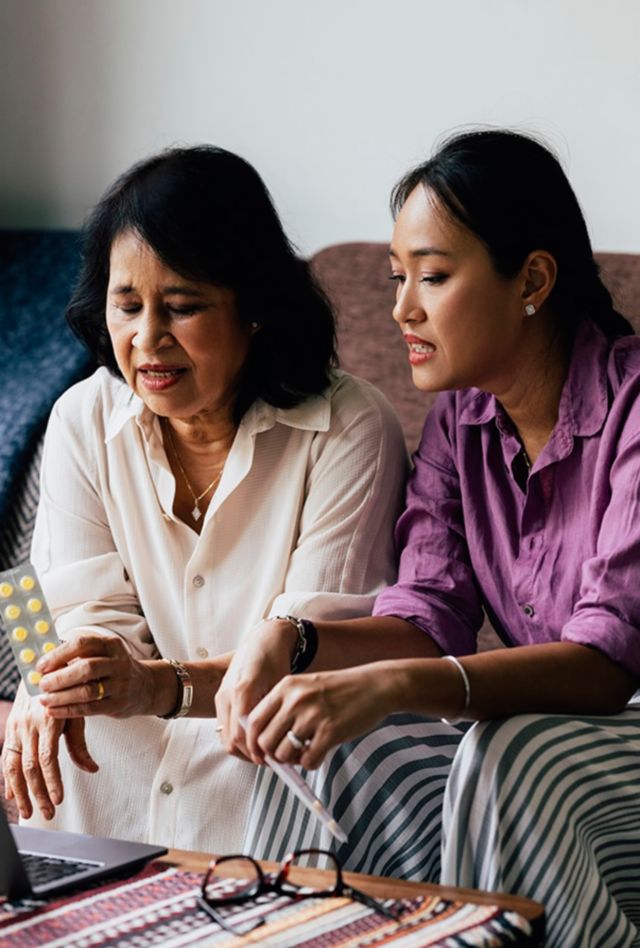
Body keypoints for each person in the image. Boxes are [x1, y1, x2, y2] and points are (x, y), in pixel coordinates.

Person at [216, 130, 640, 947]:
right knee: (331, 745)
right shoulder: (461, 416)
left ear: (534, 280)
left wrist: (394, 685)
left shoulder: (633, 406)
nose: (402, 308)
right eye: (397, 278)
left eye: (434, 277)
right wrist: (293, 641)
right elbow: (425, 616)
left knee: (511, 754)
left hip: (610, 731)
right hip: (562, 737)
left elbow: (604, 668)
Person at [1, 145, 407, 854]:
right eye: (126, 306)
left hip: (271, 750)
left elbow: (312, 647)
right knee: (56, 713)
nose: (146, 340)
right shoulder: (80, 417)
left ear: (254, 309)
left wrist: (153, 686)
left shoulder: (352, 427)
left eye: (182, 307)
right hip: (114, 754)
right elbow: (42, 600)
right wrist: (55, 678)